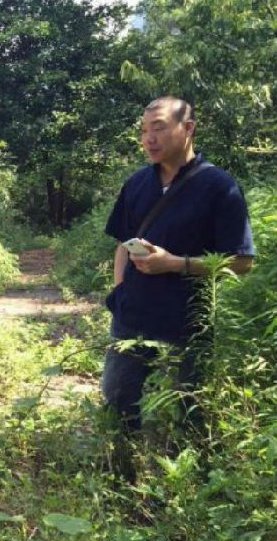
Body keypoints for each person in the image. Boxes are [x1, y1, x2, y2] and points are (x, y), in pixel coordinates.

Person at [102, 96, 254, 430]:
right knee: (117, 400)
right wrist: (120, 290)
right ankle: (121, 469)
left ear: (187, 128)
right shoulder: (137, 183)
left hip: (189, 321)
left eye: (158, 128)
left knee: (192, 411)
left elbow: (241, 261)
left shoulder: (219, 187)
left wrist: (175, 264)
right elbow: (121, 245)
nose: (148, 139)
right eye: (143, 131)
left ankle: (194, 475)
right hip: (133, 315)